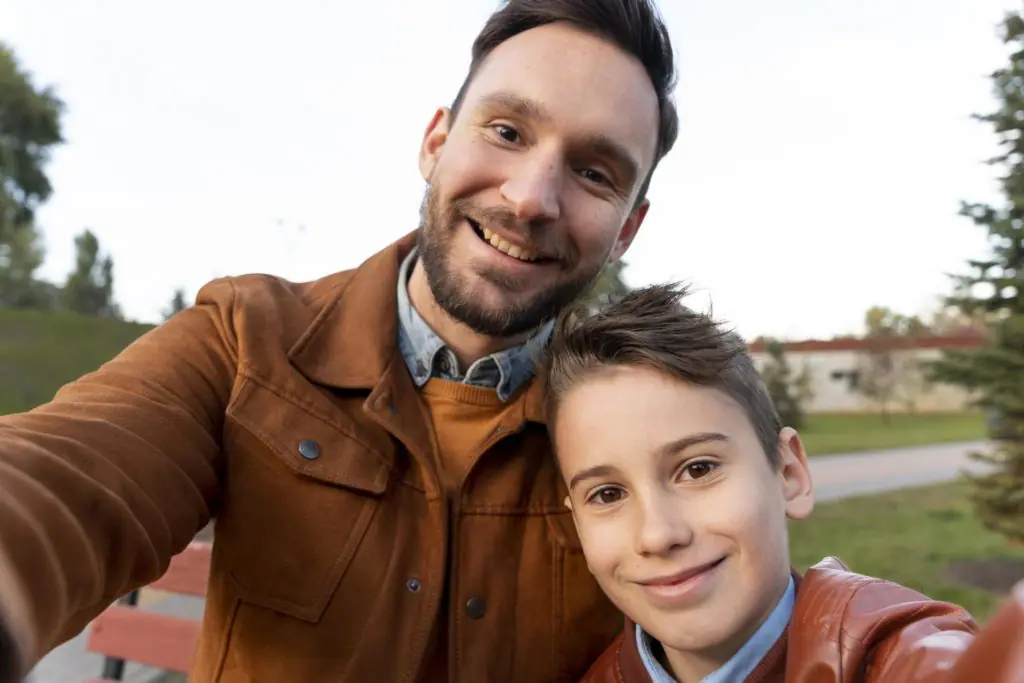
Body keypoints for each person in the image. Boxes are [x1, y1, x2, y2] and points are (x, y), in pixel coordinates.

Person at [0, 1, 680, 681]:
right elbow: (68, 476)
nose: (532, 198)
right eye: (506, 130)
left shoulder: (648, 426)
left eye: (595, 173)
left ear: (627, 229)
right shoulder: (246, 338)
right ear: (435, 143)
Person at [538, 282, 1016, 683]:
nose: (658, 534)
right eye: (607, 494)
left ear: (789, 473)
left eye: (698, 468)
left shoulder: (892, 653)